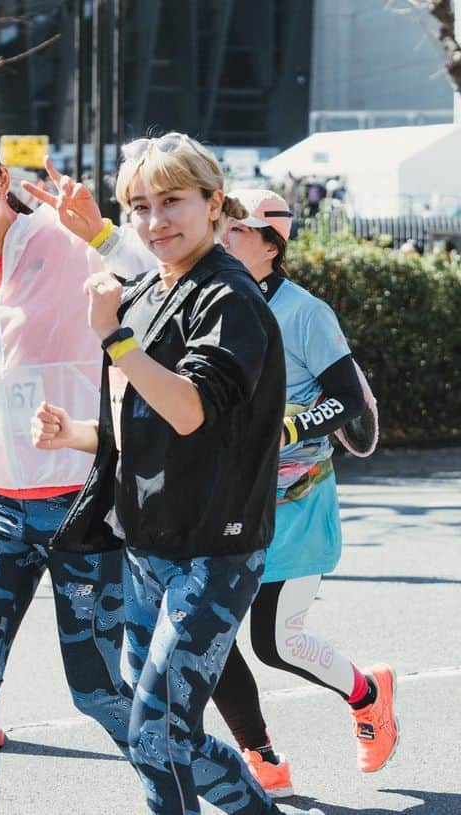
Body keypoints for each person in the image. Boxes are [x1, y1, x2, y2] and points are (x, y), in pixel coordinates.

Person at [28, 133, 322, 815]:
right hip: (147, 542)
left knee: (155, 732)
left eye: (172, 201)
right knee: (165, 729)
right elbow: (151, 422)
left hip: (213, 547)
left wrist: (114, 339)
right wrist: (77, 434)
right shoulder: (154, 287)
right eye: (140, 205)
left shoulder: (229, 297)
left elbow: (189, 409)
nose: (156, 220)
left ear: (214, 202)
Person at [0, 122, 156, 815]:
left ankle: (232, 794)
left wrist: (105, 234)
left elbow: (163, 286)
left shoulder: (60, 235)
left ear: (1, 180)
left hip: (80, 503)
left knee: (101, 691)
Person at [211, 188, 396, 794]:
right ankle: (260, 756)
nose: (223, 238)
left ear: (271, 245)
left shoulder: (307, 312)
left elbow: (348, 398)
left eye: (238, 231)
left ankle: (367, 694)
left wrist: (286, 425)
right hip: (223, 498)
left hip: (295, 502)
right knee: (205, 633)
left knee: (274, 642)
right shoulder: (211, 300)